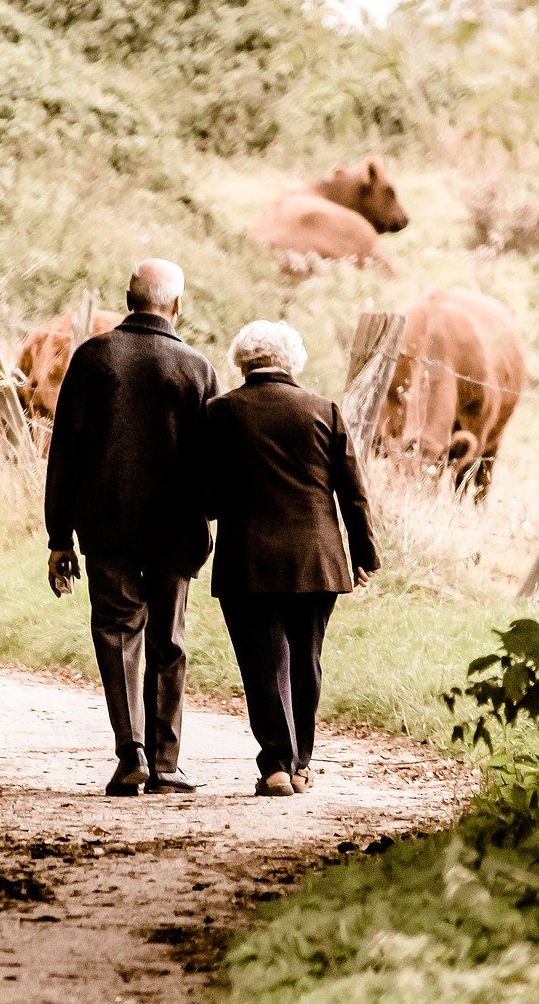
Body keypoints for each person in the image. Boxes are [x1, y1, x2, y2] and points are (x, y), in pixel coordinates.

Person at [44, 259, 220, 796]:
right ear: (178, 306)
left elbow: (64, 453)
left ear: (127, 298)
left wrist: (59, 538)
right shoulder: (196, 368)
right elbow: (210, 459)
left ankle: (132, 755)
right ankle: (167, 764)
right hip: (176, 529)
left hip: (107, 526)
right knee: (169, 639)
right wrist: (208, 517)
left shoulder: (94, 358)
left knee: (118, 635)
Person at [203, 321, 379, 797]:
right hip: (318, 559)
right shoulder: (324, 410)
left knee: (264, 663)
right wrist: (363, 553)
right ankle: (300, 763)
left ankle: (276, 766)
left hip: (247, 559)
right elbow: (353, 494)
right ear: (293, 361)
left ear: (241, 361)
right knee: (306, 660)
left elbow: (207, 495)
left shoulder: (219, 413)